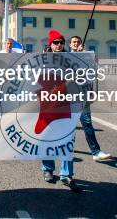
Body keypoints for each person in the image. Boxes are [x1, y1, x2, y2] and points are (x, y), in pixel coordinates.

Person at [41, 29, 80, 192]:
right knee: (47, 138)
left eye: (61, 42)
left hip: (66, 104)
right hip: (48, 104)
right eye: (56, 42)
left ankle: (66, 174)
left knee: (67, 139)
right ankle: (48, 169)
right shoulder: (41, 59)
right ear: (50, 45)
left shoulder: (72, 58)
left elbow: (86, 73)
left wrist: (84, 57)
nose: (59, 45)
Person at [69, 36, 112, 162]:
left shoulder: (86, 56)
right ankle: (65, 148)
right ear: (70, 45)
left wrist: (85, 55)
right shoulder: (66, 57)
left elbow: (95, 68)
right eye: (74, 42)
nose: (76, 44)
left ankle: (96, 152)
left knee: (87, 124)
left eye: (78, 42)